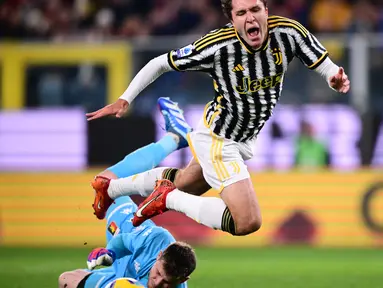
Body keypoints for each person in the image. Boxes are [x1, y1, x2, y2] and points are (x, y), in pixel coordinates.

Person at [87, 0, 351, 236]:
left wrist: (334, 80)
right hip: (220, 138)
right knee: (247, 221)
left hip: (245, 136)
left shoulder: (289, 33)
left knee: (183, 184)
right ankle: (166, 199)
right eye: (242, 12)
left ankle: (110, 188)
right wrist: (125, 98)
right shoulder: (217, 46)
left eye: (256, 9)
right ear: (232, 19)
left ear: (266, 11)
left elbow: (327, 67)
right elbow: (161, 63)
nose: (250, 18)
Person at [59, 196, 196, 288]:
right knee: (65, 279)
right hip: (122, 228)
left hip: (124, 274)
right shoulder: (156, 239)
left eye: (166, 282)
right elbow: (123, 240)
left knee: (65, 279)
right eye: (158, 273)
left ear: (182, 280)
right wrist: (110, 253)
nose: (157, 283)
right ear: (158, 256)